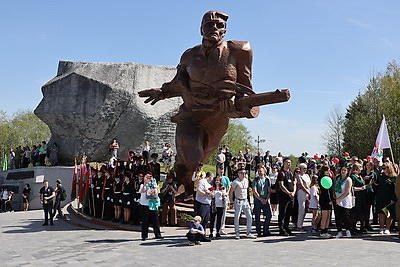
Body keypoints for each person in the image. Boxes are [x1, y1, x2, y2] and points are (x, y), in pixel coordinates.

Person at [138, 10, 259, 193]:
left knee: (199, 160)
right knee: (192, 156)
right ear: (201, 29)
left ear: (225, 30)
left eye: (220, 25)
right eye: (209, 24)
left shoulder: (239, 50)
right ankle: (174, 187)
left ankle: (184, 188)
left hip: (218, 117)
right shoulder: (189, 55)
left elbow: (246, 92)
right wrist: (162, 92)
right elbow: (179, 82)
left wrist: (234, 106)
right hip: (191, 113)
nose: (215, 28)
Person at [229, 170, 257, 239]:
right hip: (238, 200)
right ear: (238, 174)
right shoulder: (235, 182)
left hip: (245, 200)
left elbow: (248, 189)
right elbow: (231, 192)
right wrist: (231, 201)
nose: (243, 174)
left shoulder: (246, 180)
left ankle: (248, 232)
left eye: (245, 173)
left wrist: (250, 190)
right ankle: (237, 232)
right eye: (242, 173)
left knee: (249, 216)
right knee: (237, 217)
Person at [139, 173, 163, 241]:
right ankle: (144, 235)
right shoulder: (142, 185)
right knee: (145, 220)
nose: (148, 179)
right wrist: (145, 184)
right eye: (147, 177)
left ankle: (157, 234)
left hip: (152, 204)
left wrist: (152, 184)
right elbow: (142, 191)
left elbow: (156, 193)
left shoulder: (154, 185)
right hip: (144, 204)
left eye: (149, 177)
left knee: (155, 220)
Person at [375, 162, 397, 235]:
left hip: (389, 199)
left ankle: (387, 228)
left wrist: (394, 199)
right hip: (381, 198)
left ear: (389, 168)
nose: (383, 170)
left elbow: (395, 189)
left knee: (388, 214)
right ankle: (381, 228)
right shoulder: (381, 176)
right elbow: (376, 184)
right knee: (381, 214)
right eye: (382, 168)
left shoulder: (394, 177)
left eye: (384, 168)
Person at [277, 157, 296, 236]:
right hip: (284, 196)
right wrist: (288, 192)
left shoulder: (291, 173)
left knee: (289, 212)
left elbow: (294, 183)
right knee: (283, 213)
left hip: (291, 196)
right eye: (287, 162)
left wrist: (293, 192)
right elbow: (281, 185)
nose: (289, 164)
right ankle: (281, 229)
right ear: (284, 163)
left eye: (290, 162)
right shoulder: (281, 173)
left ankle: (287, 227)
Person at [252, 165, 272, 237]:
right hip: (258, 201)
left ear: (264, 172)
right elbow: (255, 191)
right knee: (257, 216)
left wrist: (266, 199)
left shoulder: (267, 179)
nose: (260, 172)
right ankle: (259, 231)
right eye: (259, 171)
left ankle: (265, 230)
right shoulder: (256, 180)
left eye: (261, 171)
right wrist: (261, 199)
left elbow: (269, 191)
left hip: (266, 201)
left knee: (269, 215)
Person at [334, 166, 353, 238]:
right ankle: (339, 232)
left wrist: (340, 199)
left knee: (345, 217)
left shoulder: (348, 179)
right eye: (342, 170)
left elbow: (347, 192)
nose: (343, 171)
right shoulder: (338, 179)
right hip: (337, 199)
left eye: (345, 170)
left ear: (347, 171)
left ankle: (348, 230)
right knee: (337, 217)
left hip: (345, 200)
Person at [349, 163, 368, 234]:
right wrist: (360, 188)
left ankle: (361, 227)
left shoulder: (359, 176)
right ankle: (352, 227)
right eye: (360, 168)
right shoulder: (352, 176)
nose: (361, 169)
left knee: (361, 212)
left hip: (362, 196)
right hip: (357, 197)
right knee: (355, 212)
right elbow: (351, 187)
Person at [195, 171, 214, 236]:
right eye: (212, 177)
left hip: (207, 204)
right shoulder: (202, 181)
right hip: (201, 203)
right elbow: (199, 191)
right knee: (201, 219)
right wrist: (208, 194)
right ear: (210, 176)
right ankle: (197, 235)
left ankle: (203, 234)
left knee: (205, 220)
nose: (212, 179)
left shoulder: (208, 184)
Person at [318, 166, 333, 238]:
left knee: (328, 215)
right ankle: (322, 231)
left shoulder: (328, 177)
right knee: (324, 215)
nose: (329, 171)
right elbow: (326, 191)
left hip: (329, 199)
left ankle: (326, 230)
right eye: (328, 170)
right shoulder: (322, 178)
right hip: (324, 199)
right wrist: (330, 200)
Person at [362, 161, 377, 231]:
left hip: (370, 192)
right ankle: (363, 224)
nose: (368, 166)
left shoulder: (373, 173)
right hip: (363, 192)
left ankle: (367, 224)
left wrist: (372, 180)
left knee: (368, 209)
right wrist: (364, 178)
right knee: (363, 209)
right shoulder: (363, 172)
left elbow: (375, 183)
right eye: (367, 165)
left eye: (369, 165)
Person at [296, 163, 311, 230]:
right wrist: (308, 192)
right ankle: (299, 225)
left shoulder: (307, 176)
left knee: (306, 209)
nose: (305, 170)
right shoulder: (299, 176)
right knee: (301, 208)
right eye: (304, 168)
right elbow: (301, 186)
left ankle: (301, 223)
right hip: (302, 192)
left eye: (306, 168)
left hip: (308, 192)